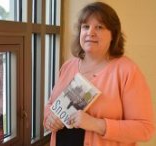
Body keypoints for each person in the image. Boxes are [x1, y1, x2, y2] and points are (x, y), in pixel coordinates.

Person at [43, 2, 155, 146]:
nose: (90, 32)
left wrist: (96, 124)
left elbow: (145, 129)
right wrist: (50, 118)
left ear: (113, 35)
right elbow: (51, 104)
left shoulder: (127, 71)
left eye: (99, 27)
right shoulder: (68, 66)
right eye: (85, 27)